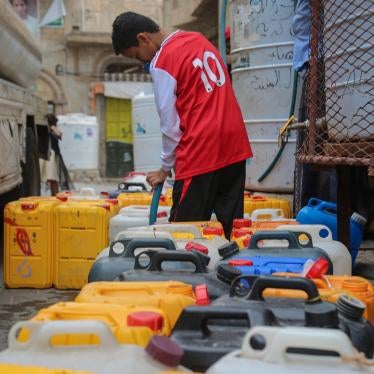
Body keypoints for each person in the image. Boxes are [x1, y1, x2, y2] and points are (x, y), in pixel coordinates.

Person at [112, 12, 252, 238]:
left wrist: (164, 169)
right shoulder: (198, 40)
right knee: (232, 230)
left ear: (143, 38)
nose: (143, 62)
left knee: (184, 234)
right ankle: (234, 272)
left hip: (201, 151)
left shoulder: (163, 61)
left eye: (137, 56)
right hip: (234, 143)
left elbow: (170, 125)